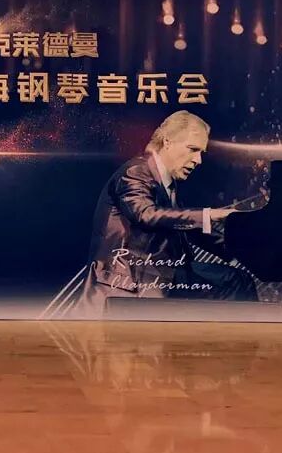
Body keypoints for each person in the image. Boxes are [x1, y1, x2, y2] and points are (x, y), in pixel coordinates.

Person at [78, 110, 257, 316]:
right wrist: (207, 215)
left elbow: (184, 227)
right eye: (193, 149)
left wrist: (243, 250)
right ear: (167, 142)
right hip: (129, 281)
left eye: (201, 152)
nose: (198, 160)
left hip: (159, 272)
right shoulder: (136, 172)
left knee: (236, 281)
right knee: (231, 283)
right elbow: (145, 214)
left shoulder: (167, 181)